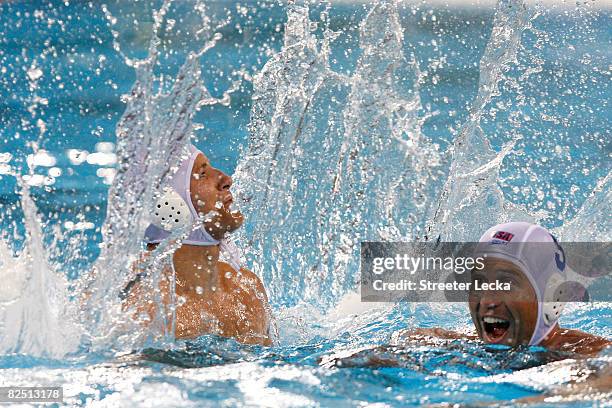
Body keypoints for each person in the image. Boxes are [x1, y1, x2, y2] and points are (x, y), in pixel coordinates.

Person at [121, 144, 273, 346]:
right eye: (202, 174)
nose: (226, 180)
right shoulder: (145, 307)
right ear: (170, 205)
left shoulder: (245, 288)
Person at [399, 222, 610, 356]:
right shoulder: (458, 345)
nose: (488, 300)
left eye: (506, 283)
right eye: (479, 283)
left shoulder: (592, 355)